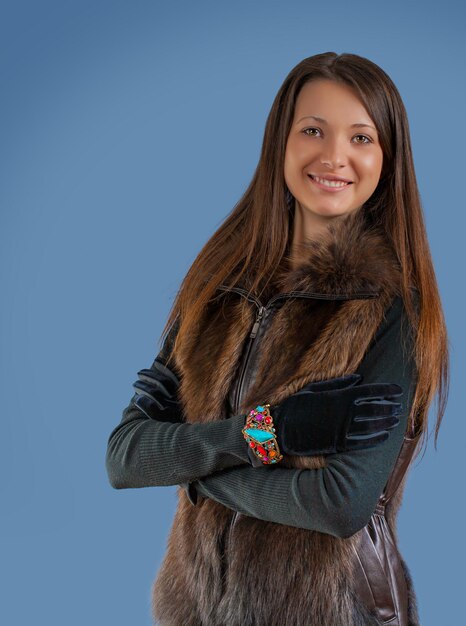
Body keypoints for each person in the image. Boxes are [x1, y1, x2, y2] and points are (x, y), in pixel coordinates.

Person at [105, 52, 449, 626]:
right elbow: (126, 456)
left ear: (387, 160)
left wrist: (196, 473)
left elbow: (341, 503)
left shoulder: (391, 313)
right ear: (280, 144)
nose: (334, 156)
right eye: (312, 130)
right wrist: (267, 434)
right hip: (195, 606)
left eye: (361, 137)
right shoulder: (215, 289)